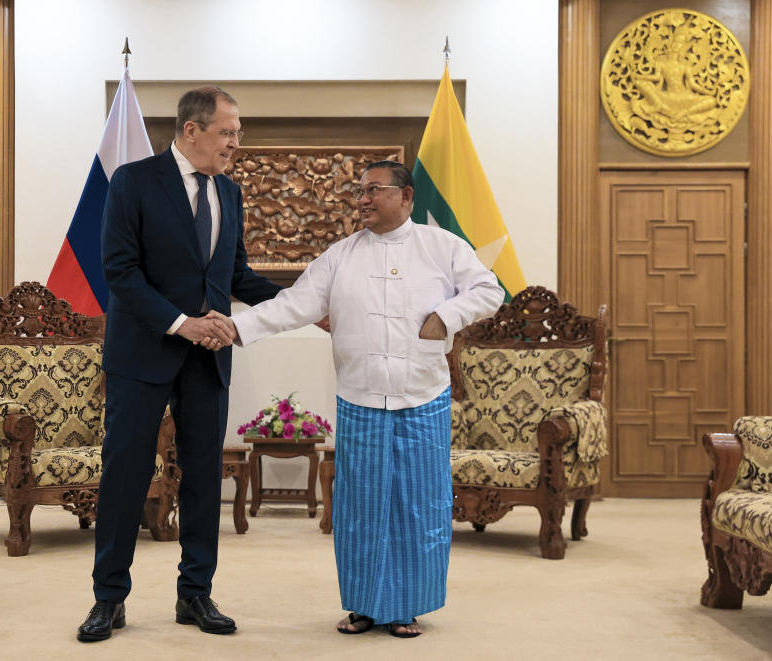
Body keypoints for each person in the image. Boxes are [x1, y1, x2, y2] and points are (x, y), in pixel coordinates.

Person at [217, 161, 504, 638]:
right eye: (360, 191)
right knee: (362, 507)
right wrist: (235, 327)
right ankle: (365, 606)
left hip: (423, 397)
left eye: (374, 190)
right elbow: (294, 304)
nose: (363, 199)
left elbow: (488, 290)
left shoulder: (443, 247)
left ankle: (407, 606)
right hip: (360, 398)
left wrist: (446, 315)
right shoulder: (340, 255)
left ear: (406, 197)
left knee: (417, 505)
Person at [77, 87, 281, 642]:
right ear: (192, 131)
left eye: (237, 134)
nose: (236, 144)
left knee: (201, 481)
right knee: (125, 476)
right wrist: (181, 323)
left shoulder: (231, 194)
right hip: (142, 355)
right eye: (228, 133)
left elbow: (235, 276)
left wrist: (311, 303)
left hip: (207, 363)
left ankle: (196, 595)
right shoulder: (133, 181)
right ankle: (109, 599)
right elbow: (120, 272)